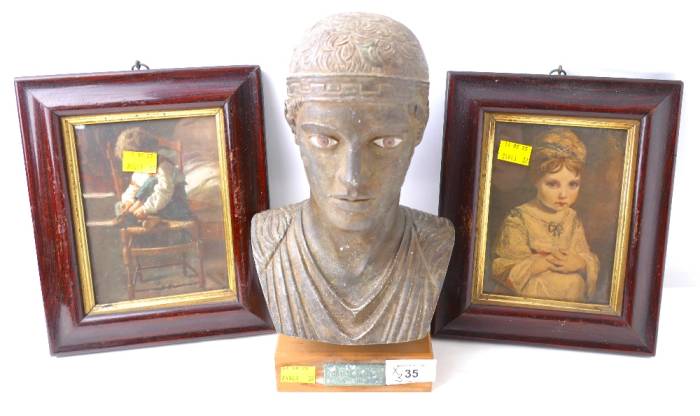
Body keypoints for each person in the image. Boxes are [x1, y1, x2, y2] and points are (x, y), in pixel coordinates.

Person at [251, 13, 454, 345]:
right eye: (324, 141)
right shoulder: (270, 241)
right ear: (294, 127)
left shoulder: (435, 242)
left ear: (419, 128)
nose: (352, 177)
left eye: (385, 142)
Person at [491, 128, 599, 302]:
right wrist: (537, 264)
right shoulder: (519, 217)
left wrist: (580, 263)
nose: (563, 194)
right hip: (531, 294)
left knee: (573, 282)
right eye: (552, 184)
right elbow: (502, 267)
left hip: (570, 294)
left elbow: (584, 254)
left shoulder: (572, 218)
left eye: (573, 184)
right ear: (536, 180)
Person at [113, 127, 192, 239]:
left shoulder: (163, 166)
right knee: (118, 206)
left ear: (146, 152)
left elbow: (164, 192)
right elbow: (133, 187)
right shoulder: (140, 169)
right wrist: (128, 201)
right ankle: (148, 220)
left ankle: (144, 219)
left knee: (152, 181)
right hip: (151, 208)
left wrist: (145, 209)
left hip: (171, 207)